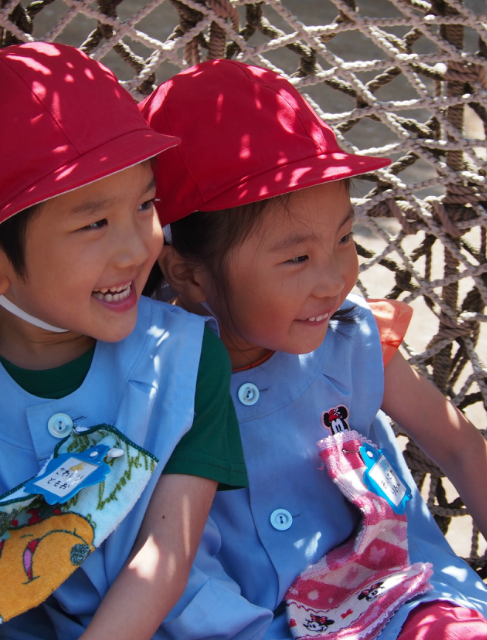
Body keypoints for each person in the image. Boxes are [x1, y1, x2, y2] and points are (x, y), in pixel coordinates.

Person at [0, 44, 251, 640]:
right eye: (94, 223)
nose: (138, 249)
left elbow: (166, 557)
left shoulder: (183, 358)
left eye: (145, 204)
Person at [141, 59, 487, 639]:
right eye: (297, 258)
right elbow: (173, 569)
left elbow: (458, 446)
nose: (334, 280)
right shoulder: (152, 384)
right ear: (189, 274)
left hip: (402, 599)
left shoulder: (352, 340)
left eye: (345, 238)